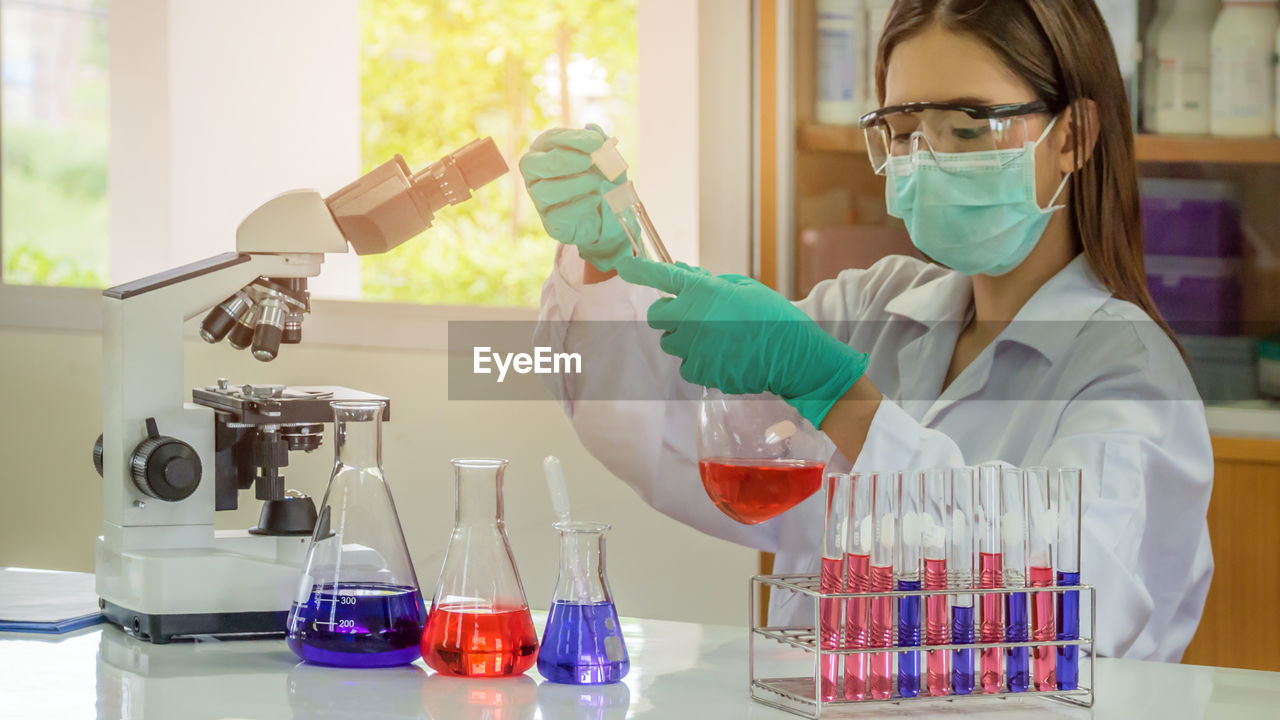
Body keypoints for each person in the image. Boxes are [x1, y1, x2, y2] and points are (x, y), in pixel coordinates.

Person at [521, 0, 1212, 662]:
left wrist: (843, 398)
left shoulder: (1131, 376)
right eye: (907, 134)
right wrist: (604, 265)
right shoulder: (878, 307)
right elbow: (656, 430)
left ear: (1073, 136)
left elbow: (1061, 613)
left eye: (967, 129)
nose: (929, 159)